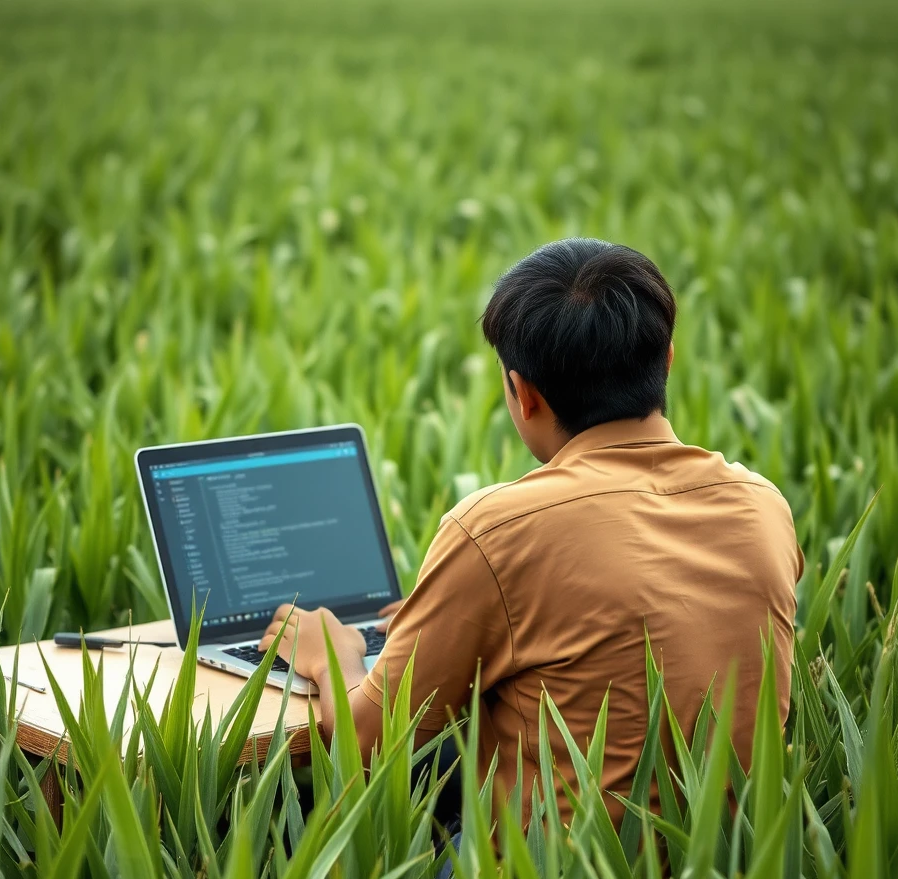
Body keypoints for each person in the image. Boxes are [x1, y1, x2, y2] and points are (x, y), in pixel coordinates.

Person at [259, 238, 803, 830]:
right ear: (668, 358)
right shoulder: (762, 505)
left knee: (293, 817)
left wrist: (332, 658)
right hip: (732, 878)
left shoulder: (497, 531)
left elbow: (363, 746)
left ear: (523, 393)